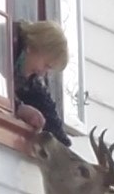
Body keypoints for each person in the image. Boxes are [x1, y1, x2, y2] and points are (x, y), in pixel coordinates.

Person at [7, 19, 74, 147]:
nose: (43, 73)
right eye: (46, 65)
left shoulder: (31, 79)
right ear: (31, 48)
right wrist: (19, 108)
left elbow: (47, 111)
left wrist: (62, 146)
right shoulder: (3, 44)